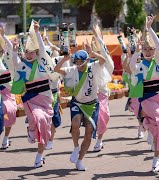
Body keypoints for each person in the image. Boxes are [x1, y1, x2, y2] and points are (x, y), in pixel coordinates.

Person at [129, 15, 159, 173]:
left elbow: (158, 45)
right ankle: (144, 121)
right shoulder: (139, 65)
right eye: (145, 49)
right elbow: (131, 66)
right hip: (147, 99)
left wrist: (149, 28)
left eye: (151, 49)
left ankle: (156, 159)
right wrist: (136, 50)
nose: (148, 51)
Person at [54, 39, 108, 171]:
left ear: (86, 61)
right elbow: (56, 69)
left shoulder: (92, 67)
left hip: (92, 105)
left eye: (81, 62)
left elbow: (103, 61)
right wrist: (64, 58)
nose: (78, 64)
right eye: (76, 62)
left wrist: (92, 52)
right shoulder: (71, 69)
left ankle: (80, 160)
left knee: (89, 133)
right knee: (75, 123)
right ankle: (76, 146)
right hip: (77, 103)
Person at [11, 21, 54, 168]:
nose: (29, 54)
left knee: (45, 127)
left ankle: (39, 156)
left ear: (36, 52)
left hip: (47, 98)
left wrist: (37, 32)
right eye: (27, 51)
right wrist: (15, 50)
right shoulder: (22, 65)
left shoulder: (42, 61)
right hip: (31, 99)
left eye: (32, 51)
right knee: (38, 118)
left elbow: (42, 48)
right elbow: (15, 62)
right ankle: (31, 128)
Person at [0, 26, 17, 149]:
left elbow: (10, 47)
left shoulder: (7, 59)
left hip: (8, 91)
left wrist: (3, 35)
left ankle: (6, 137)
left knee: (10, 112)